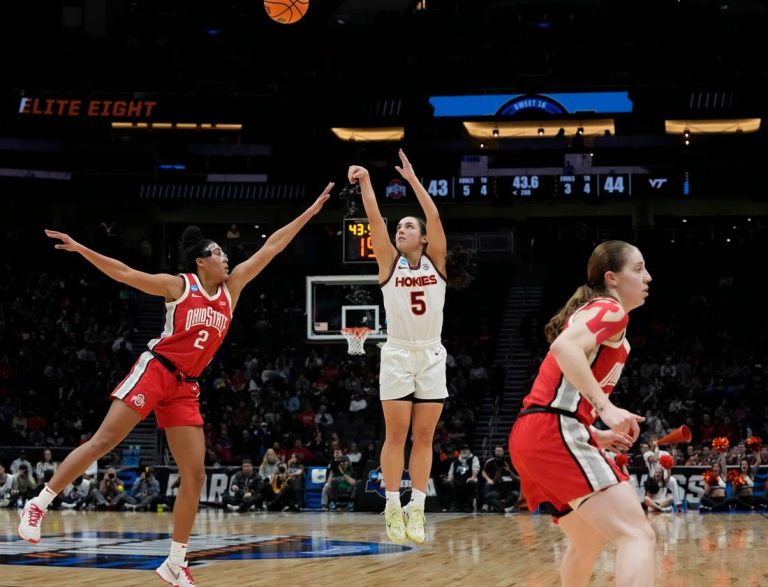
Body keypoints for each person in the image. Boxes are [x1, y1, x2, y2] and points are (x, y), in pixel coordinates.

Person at [18, 184, 332, 587]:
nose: (226, 257)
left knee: (195, 474)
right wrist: (82, 249)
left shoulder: (231, 291)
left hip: (186, 386)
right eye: (218, 252)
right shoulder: (179, 286)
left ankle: (174, 561)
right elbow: (126, 273)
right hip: (157, 369)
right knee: (104, 441)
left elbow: (272, 246)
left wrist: (310, 211)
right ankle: (39, 503)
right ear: (202, 262)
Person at [508, 240, 656, 587]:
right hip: (550, 429)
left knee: (589, 539)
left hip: (535, 432)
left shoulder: (606, 322)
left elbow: (565, 387)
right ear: (612, 278)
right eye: (638, 268)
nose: (647, 277)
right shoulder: (610, 309)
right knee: (637, 536)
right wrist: (605, 408)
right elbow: (563, 347)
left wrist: (596, 431)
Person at [347, 149, 474, 545]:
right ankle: (391, 505)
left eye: (407, 226)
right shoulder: (388, 262)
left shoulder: (437, 262)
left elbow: (434, 217)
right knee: (396, 434)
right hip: (398, 352)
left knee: (424, 437)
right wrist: (367, 182)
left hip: (432, 354)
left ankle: (416, 507)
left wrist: (415, 180)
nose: (400, 230)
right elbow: (373, 220)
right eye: (398, 226)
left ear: (422, 237)